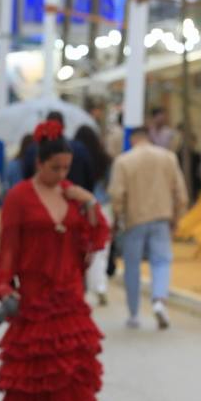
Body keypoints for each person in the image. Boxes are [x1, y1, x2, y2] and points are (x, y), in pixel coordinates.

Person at [0, 120, 110, 401]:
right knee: (37, 370)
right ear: (39, 163)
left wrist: (88, 201)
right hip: (34, 294)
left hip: (69, 294)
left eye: (66, 168)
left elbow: (97, 237)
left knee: (70, 367)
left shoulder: (72, 195)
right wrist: (4, 285)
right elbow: (8, 247)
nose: (61, 174)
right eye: (55, 167)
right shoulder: (18, 197)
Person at [109, 127, 190, 330]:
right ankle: (159, 300)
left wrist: (117, 218)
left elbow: (117, 194)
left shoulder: (123, 161)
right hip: (162, 217)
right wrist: (176, 217)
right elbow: (181, 193)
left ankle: (133, 314)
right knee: (161, 261)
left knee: (132, 267)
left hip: (134, 220)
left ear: (133, 139)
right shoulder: (168, 158)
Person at [72, 124, 113, 307]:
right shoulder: (105, 159)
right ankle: (100, 285)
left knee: (81, 247)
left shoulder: (74, 156)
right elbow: (110, 184)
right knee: (101, 247)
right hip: (102, 206)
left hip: (80, 206)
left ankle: (82, 285)